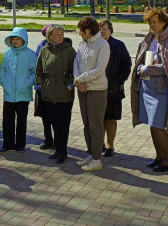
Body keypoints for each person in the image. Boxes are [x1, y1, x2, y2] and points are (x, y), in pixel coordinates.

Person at [131, 8, 168, 172]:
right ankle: (159, 156)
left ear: (163, 22)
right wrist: (141, 67)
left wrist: (148, 70)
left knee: (158, 125)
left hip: (162, 91)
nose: (151, 25)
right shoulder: (149, 40)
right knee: (151, 124)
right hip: (146, 89)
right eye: (149, 22)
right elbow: (140, 60)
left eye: (154, 22)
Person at [35, 24, 76, 165]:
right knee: (54, 123)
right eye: (57, 34)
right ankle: (57, 150)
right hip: (48, 94)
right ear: (50, 36)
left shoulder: (70, 51)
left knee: (63, 124)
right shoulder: (44, 50)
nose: (60, 37)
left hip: (64, 95)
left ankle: (62, 152)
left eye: (62, 34)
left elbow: (75, 71)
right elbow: (38, 70)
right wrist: (41, 83)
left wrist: (70, 85)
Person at [73, 16, 110, 173]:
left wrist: (80, 79)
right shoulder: (83, 42)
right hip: (82, 88)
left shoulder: (103, 45)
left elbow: (99, 69)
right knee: (87, 124)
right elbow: (77, 62)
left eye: (81, 31)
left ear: (88, 31)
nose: (79, 34)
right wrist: (78, 81)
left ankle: (97, 160)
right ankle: (90, 154)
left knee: (95, 126)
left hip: (96, 90)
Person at [0, 27, 37, 153]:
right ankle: (7, 144)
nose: (15, 41)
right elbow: (2, 69)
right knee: (7, 120)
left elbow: (35, 72)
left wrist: (28, 83)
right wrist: (3, 82)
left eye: (18, 39)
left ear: (23, 40)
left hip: (23, 93)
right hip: (9, 93)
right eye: (13, 39)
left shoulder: (30, 54)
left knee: (21, 120)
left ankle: (20, 144)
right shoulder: (7, 53)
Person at [98, 19, 132, 158]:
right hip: (97, 89)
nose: (102, 31)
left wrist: (119, 81)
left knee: (111, 119)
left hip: (113, 89)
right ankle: (98, 143)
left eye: (105, 28)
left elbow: (127, 64)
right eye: (100, 29)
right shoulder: (95, 45)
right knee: (98, 119)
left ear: (110, 30)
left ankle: (110, 145)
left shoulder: (118, 45)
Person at [34, 24, 54, 150]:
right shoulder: (41, 46)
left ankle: (59, 140)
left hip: (56, 88)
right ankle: (48, 138)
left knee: (56, 116)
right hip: (42, 87)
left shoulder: (63, 46)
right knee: (45, 115)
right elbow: (37, 66)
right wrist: (38, 82)